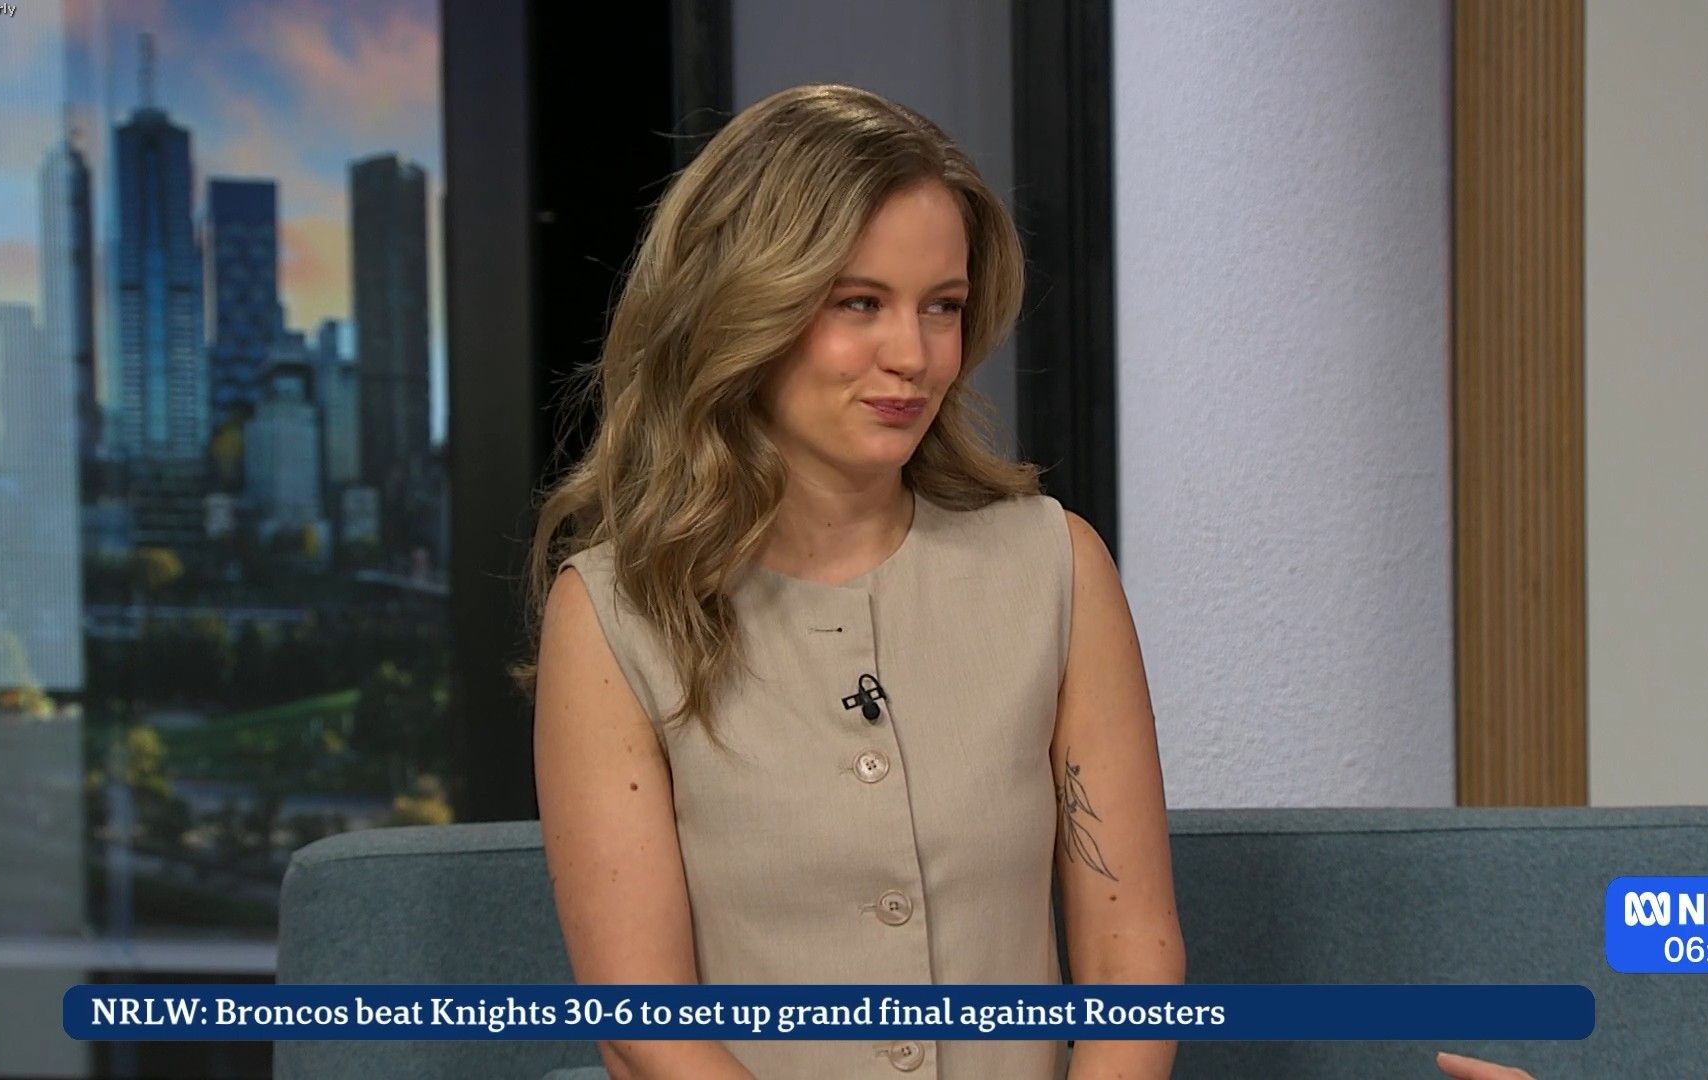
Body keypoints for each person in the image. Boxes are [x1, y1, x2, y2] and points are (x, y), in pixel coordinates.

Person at [521, 82, 1534, 1080]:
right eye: (859, 304)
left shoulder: (1055, 567)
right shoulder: (611, 615)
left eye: (944, 307)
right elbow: (645, 1027)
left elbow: (1132, 959)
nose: (914, 355)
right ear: (745, 304)